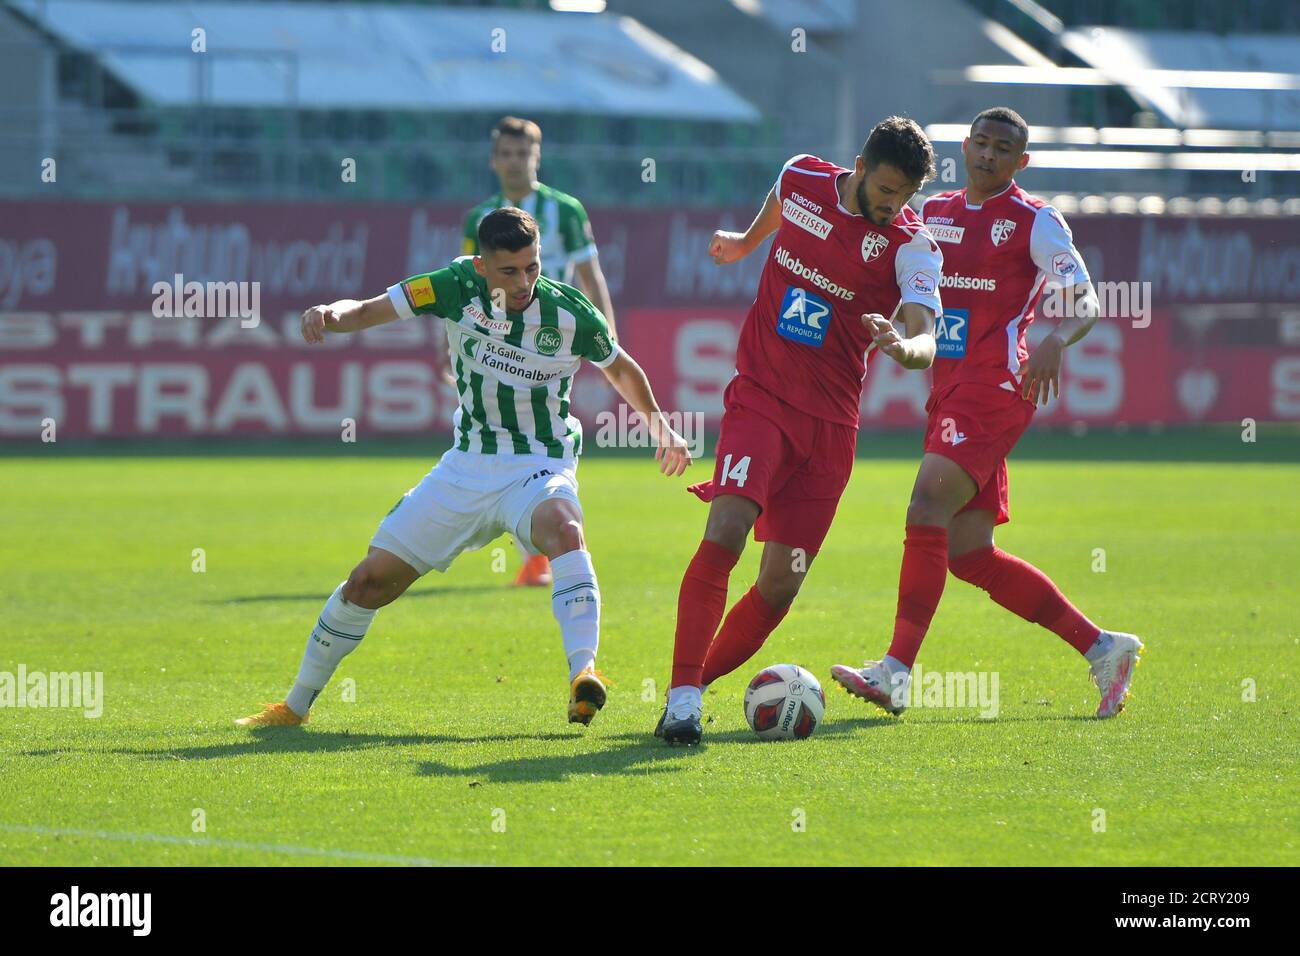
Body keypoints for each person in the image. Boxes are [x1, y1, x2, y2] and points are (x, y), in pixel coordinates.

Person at [236, 208, 689, 730]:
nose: (525, 282)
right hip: (467, 467)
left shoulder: (569, 313)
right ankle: (293, 707)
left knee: (565, 528)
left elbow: (620, 366)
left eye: (533, 267)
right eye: (509, 271)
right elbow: (366, 309)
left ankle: (584, 674)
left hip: (538, 463)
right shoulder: (451, 285)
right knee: (367, 583)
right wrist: (328, 314)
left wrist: (661, 428)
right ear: (481, 265)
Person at [830, 107, 1142, 719]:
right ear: (965, 147)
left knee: (925, 506)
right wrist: (890, 329)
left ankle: (895, 671)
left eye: (1003, 149)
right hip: (949, 389)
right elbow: (907, 284)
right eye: (981, 143)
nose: (989, 155)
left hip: (997, 386)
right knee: (968, 551)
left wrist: (1055, 340)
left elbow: (1085, 301)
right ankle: (1103, 647)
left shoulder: (1035, 221)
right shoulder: (936, 213)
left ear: (1020, 162)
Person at [659, 117, 944, 745]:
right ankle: (681, 699)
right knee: (727, 531)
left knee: (780, 582)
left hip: (831, 430)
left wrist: (905, 346)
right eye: (888, 189)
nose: (895, 205)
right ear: (861, 166)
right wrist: (744, 241)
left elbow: (927, 333)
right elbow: (779, 202)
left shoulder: (912, 244)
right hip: (761, 400)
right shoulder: (802, 177)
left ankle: (691, 688)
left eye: (907, 195)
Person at [463, 116, 620, 587]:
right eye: (507, 154)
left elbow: (591, 276)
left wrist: (606, 338)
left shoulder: (565, 211)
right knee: (503, 440)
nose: (515, 163)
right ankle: (546, 545)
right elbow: (464, 286)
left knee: (546, 437)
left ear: (537, 158)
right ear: (494, 160)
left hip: (550, 344)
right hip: (492, 342)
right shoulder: (479, 219)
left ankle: (552, 546)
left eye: (523, 154)